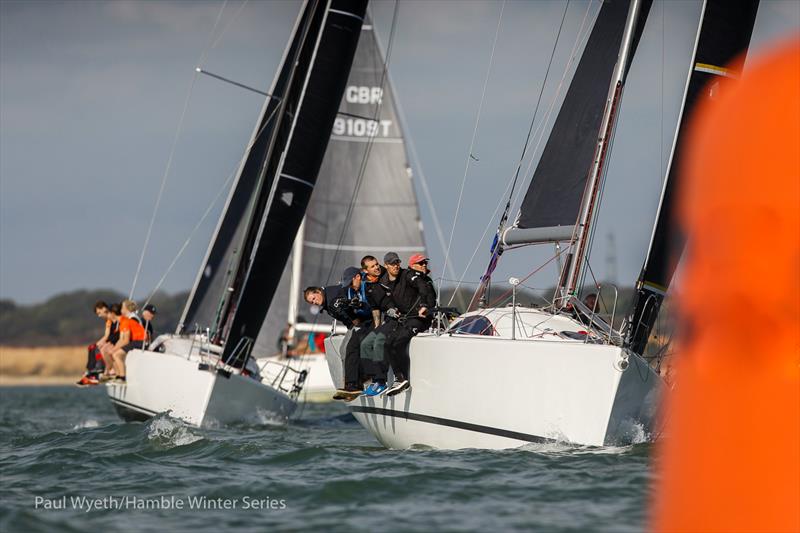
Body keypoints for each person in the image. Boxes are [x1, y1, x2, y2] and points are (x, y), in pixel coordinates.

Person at [382, 253, 437, 396]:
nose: (424, 265)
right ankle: (398, 378)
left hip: (420, 319)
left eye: (425, 263)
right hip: (406, 319)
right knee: (387, 343)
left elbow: (422, 288)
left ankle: (403, 379)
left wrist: (424, 305)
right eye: (421, 263)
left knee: (399, 342)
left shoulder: (411, 276)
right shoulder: (389, 280)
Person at [360, 252, 403, 392]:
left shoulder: (386, 276)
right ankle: (373, 379)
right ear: (366, 270)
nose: (376, 268)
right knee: (366, 343)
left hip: (397, 319)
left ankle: (381, 380)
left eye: (377, 264)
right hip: (386, 320)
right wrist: (377, 326)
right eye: (372, 266)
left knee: (379, 341)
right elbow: (375, 308)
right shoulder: (367, 286)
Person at [109, 300, 147, 383]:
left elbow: (125, 340)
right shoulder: (123, 321)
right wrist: (114, 348)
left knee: (117, 355)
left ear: (112, 314)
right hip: (136, 341)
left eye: (108, 313)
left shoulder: (126, 321)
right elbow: (120, 339)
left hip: (140, 341)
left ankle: (122, 377)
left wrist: (115, 350)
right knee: (113, 353)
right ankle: (118, 375)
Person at [77, 301, 111, 386]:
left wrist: (99, 343)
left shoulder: (111, 318)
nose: (99, 316)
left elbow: (107, 336)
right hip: (110, 340)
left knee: (96, 348)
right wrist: (98, 343)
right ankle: (90, 371)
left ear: (104, 308)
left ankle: (97, 372)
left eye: (99, 313)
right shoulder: (107, 320)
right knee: (91, 347)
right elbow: (106, 335)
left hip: (112, 341)